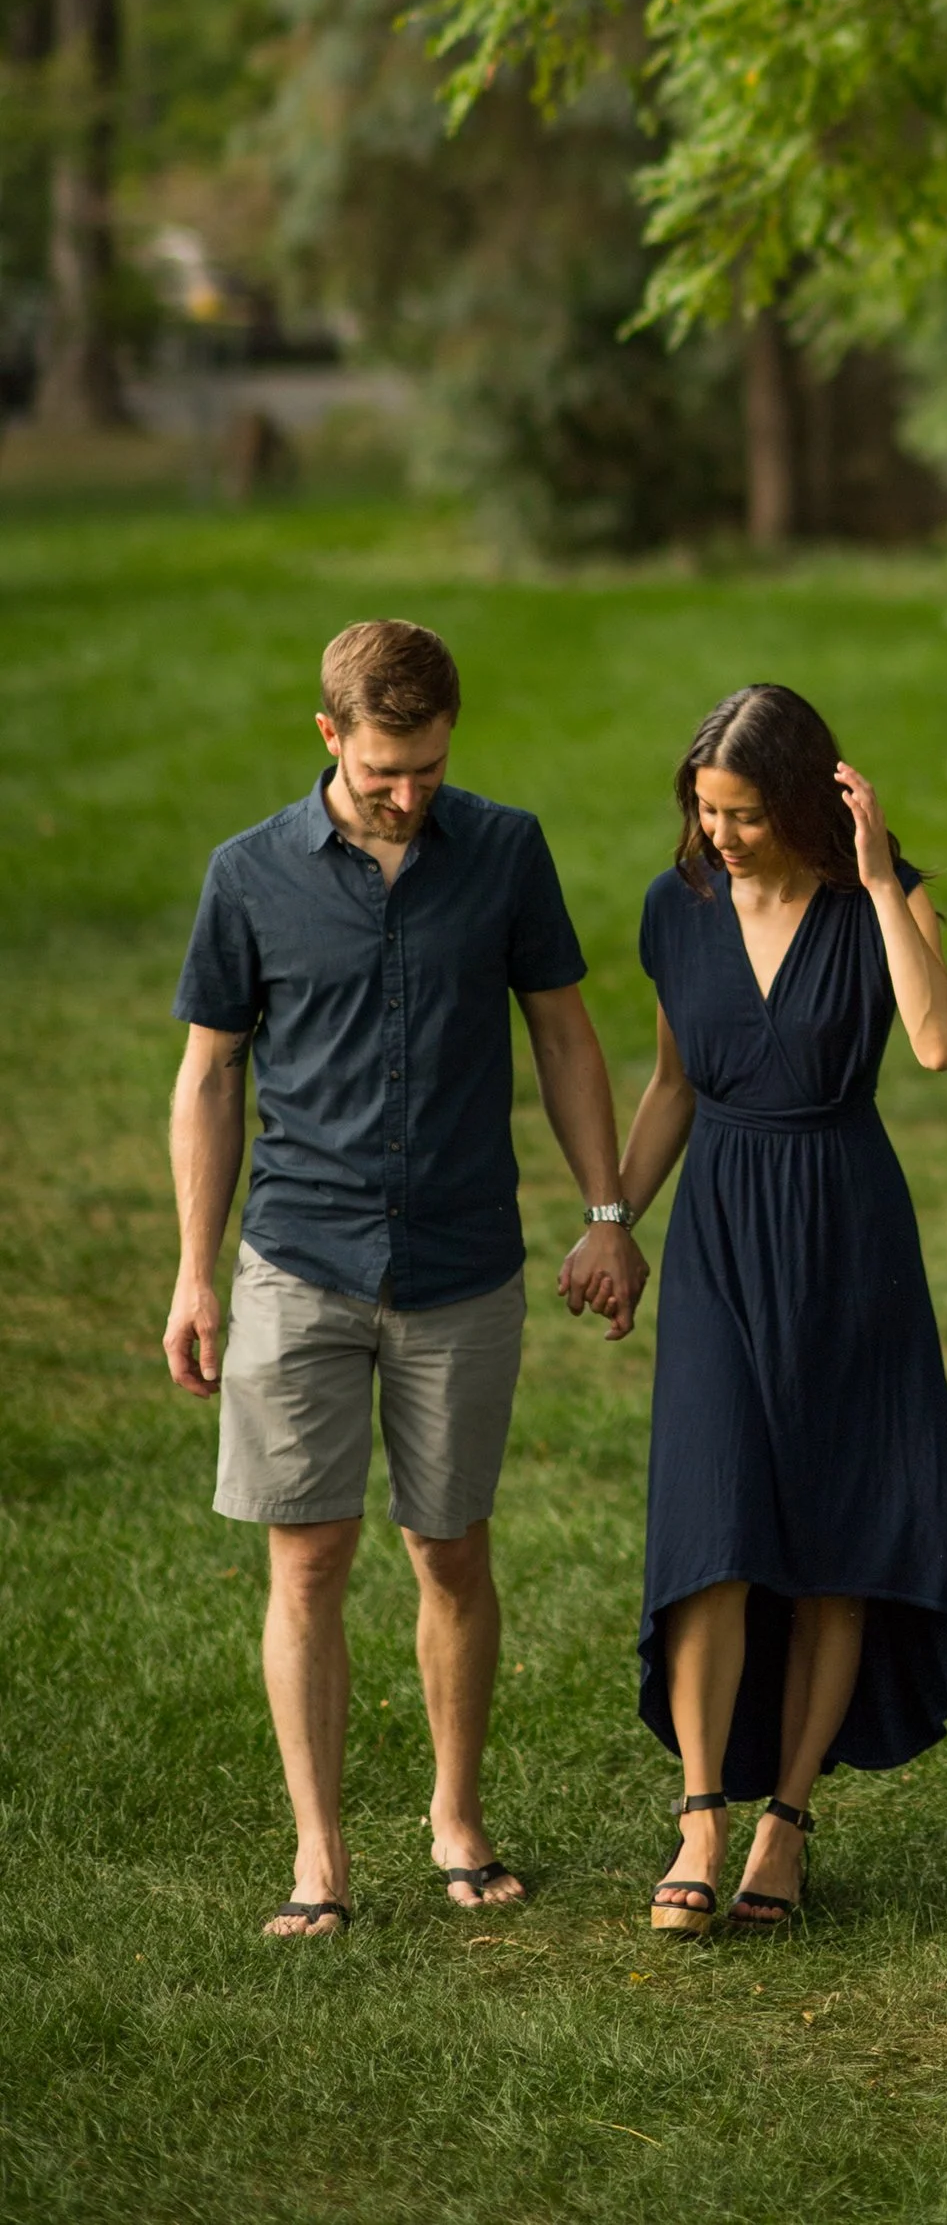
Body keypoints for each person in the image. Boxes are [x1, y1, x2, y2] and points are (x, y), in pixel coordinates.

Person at [163, 618, 646, 1938]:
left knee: (449, 1544)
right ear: (330, 734)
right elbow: (210, 1075)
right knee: (308, 1556)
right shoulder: (249, 875)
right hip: (299, 1260)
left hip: (460, 1261)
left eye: (429, 766)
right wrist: (195, 1273)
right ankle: (320, 1858)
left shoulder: (505, 852)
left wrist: (607, 1210)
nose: (408, 791)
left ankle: (455, 1815)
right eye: (384, 767)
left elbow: (563, 1031)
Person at [620, 682, 947, 1935]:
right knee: (713, 1527)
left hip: (849, 1234)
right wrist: (609, 1220)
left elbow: (941, 1045)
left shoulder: (877, 904)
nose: (718, 832)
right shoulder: (674, 916)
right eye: (704, 809)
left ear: (796, 803)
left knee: (842, 1535)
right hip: (723, 1233)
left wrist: (883, 877)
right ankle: (699, 1813)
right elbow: (673, 1084)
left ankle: (784, 1822)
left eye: (739, 811)